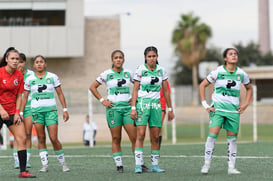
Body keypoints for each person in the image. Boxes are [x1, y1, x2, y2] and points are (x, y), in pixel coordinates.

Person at [90, 50, 149, 173]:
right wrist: (102, 100)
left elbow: (140, 85)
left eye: (120, 57)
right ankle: (119, 165)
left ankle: (140, 164)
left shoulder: (129, 73)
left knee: (134, 137)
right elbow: (92, 87)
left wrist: (135, 99)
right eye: (116, 58)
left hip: (128, 110)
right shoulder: (106, 74)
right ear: (112, 60)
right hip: (113, 110)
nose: (118, 59)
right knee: (116, 138)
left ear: (123, 59)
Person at [199, 48, 252, 175]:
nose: (234, 56)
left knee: (232, 140)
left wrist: (245, 104)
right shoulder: (218, 72)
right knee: (212, 136)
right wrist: (205, 104)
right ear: (225, 58)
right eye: (230, 54)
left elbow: (249, 89)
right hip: (217, 109)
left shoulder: (242, 74)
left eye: (235, 54)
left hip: (233, 112)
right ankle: (206, 165)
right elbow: (202, 85)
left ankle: (231, 167)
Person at [21, 55, 70, 173]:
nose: (39, 64)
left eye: (41, 62)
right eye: (37, 62)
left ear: (45, 64)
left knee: (53, 138)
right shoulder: (29, 79)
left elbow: (60, 94)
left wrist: (64, 109)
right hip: (37, 112)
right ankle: (45, 165)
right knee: (41, 138)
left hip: (51, 111)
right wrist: (21, 112)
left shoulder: (52, 77)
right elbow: (25, 96)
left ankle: (63, 164)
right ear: (34, 65)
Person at [130, 46, 175, 174]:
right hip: (142, 105)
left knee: (155, 136)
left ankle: (155, 166)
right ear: (145, 57)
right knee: (141, 134)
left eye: (154, 56)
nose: (151, 59)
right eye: (149, 56)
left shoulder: (162, 71)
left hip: (156, 105)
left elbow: (165, 91)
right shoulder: (140, 70)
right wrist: (133, 108)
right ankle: (138, 165)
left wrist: (170, 108)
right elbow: (135, 90)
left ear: (157, 57)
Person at [0, 47, 36, 178]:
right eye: (12, 59)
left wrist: (17, 113)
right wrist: (1, 110)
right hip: (0, 110)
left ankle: (23, 171)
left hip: (11, 112)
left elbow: (19, 96)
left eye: (17, 59)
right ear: (6, 59)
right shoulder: (0, 73)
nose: (15, 61)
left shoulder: (19, 76)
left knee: (22, 138)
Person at [11, 52, 35, 169]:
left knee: (28, 133)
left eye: (21, 62)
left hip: (28, 107)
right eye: (17, 62)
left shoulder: (31, 74)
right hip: (15, 107)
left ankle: (27, 160)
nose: (18, 64)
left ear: (24, 62)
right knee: (18, 134)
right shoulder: (13, 74)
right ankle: (16, 160)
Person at [159, 80, 171, 148]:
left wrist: (169, 109)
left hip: (161, 107)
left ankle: (156, 151)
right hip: (148, 106)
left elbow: (167, 93)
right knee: (151, 130)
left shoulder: (163, 80)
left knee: (157, 128)